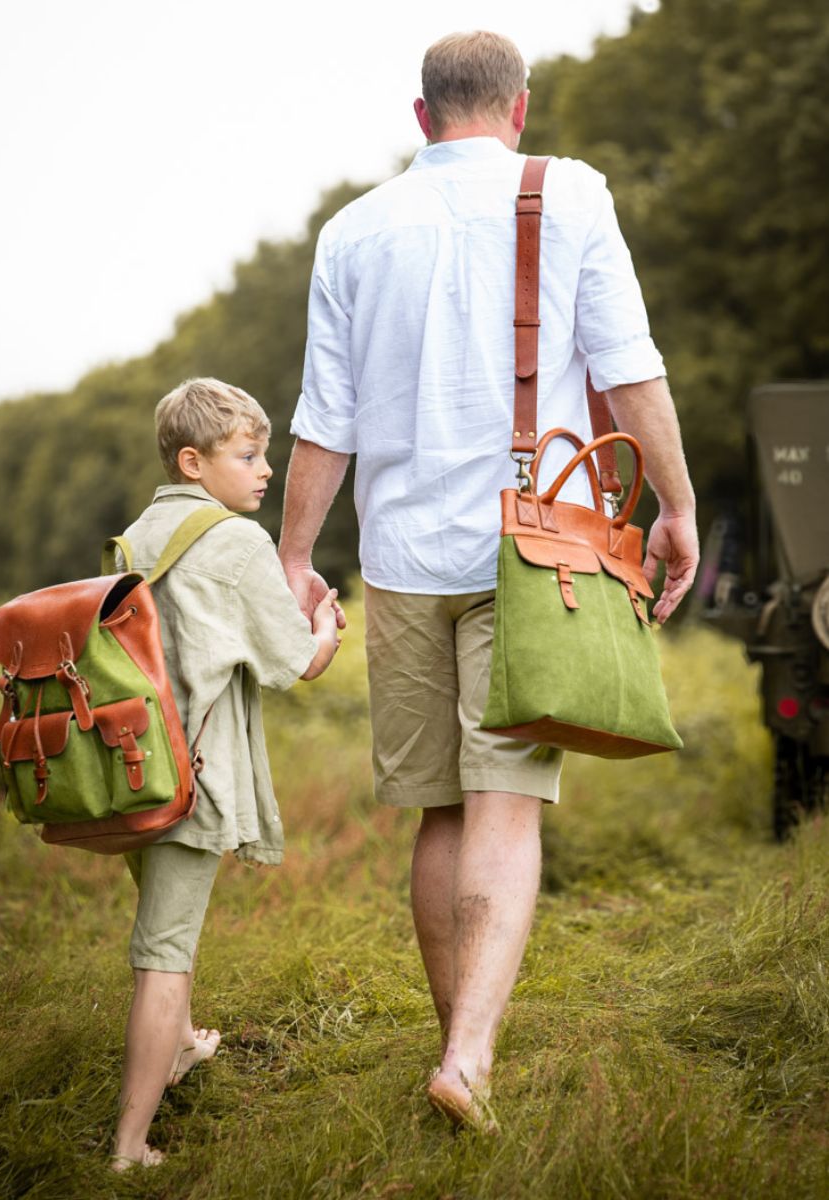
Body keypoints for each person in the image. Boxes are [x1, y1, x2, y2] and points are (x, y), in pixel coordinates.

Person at [279, 31, 698, 1132]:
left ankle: (451, 1038)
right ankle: (469, 1056)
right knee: (507, 805)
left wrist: (292, 558)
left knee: (438, 811)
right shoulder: (569, 194)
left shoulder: (354, 231)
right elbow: (629, 366)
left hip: (402, 559)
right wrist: (679, 507)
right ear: (519, 109)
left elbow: (326, 419)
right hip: (537, 550)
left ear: (422, 119)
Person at [110, 377, 342, 1169]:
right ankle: (128, 1147)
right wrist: (324, 624)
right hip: (194, 776)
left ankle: (177, 1045)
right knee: (163, 957)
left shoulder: (136, 535)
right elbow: (295, 665)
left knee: (164, 927)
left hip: (131, 771)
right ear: (193, 460)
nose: (266, 470)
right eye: (248, 455)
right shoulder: (238, 542)